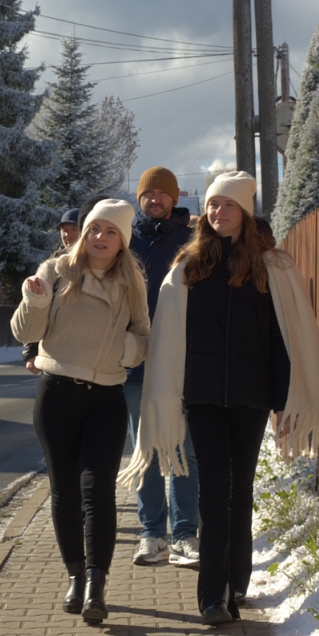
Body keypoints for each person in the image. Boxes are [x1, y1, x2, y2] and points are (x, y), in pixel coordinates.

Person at [119, 171, 319, 626]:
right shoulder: (188, 267)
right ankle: (213, 595)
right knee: (214, 490)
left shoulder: (273, 267)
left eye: (228, 206)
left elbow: (286, 340)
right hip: (202, 397)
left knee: (240, 489)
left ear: (245, 212)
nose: (218, 213)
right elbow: (169, 339)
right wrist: (172, 392)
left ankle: (238, 578)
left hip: (252, 396)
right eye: (214, 205)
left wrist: (284, 400)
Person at [12, 199, 151, 623]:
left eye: (111, 232)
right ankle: (74, 574)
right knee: (64, 493)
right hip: (56, 394)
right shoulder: (56, 271)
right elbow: (25, 333)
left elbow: (143, 333)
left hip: (106, 397)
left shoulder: (132, 281)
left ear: (122, 240)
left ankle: (96, 583)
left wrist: (125, 351)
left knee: (98, 493)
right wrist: (34, 302)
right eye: (94, 230)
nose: (101, 238)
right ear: (84, 232)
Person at [126, 167, 200, 568]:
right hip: (136, 363)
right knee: (145, 451)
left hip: (182, 361)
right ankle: (152, 535)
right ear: (140, 199)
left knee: (184, 447)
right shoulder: (126, 239)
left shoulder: (193, 240)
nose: (156, 200)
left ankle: (187, 534)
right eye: (148, 194)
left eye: (163, 194)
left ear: (175, 199)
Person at [23, 207, 85, 374]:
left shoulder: (101, 263)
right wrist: (31, 351)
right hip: (55, 351)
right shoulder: (53, 263)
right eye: (64, 230)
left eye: (74, 228)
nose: (67, 234)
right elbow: (36, 306)